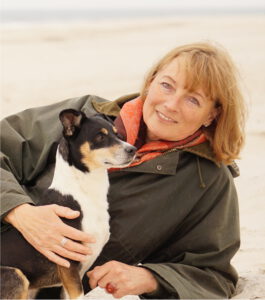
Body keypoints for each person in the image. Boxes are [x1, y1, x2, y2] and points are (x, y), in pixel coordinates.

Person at [1, 42, 246, 299]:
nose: (172, 104)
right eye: (167, 85)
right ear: (150, 82)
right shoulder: (85, 114)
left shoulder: (207, 181)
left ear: (212, 115)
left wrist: (150, 278)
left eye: (193, 99)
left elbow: (213, 276)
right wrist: (19, 212)